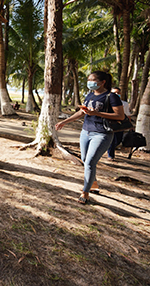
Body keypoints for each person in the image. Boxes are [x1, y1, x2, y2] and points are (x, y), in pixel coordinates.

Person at [55, 71, 125, 204]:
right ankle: (93, 183)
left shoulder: (112, 97)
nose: (90, 83)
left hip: (102, 134)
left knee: (90, 162)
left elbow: (120, 116)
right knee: (84, 159)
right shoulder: (90, 95)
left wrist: (97, 113)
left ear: (102, 82)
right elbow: (82, 112)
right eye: (89, 80)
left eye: (92, 80)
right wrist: (65, 121)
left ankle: (85, 193)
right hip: (85, 132)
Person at [106, 87, 132, 159]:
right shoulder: (107, 102)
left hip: (120, 125)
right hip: (111, 124)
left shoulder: (125, 104)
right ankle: (110, 155)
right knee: (112, 140)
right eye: (114, 92)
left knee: (118, 140)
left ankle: (108, 148)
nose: (117, 94)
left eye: (118, 93)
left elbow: (127, 114)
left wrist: (130, 126)